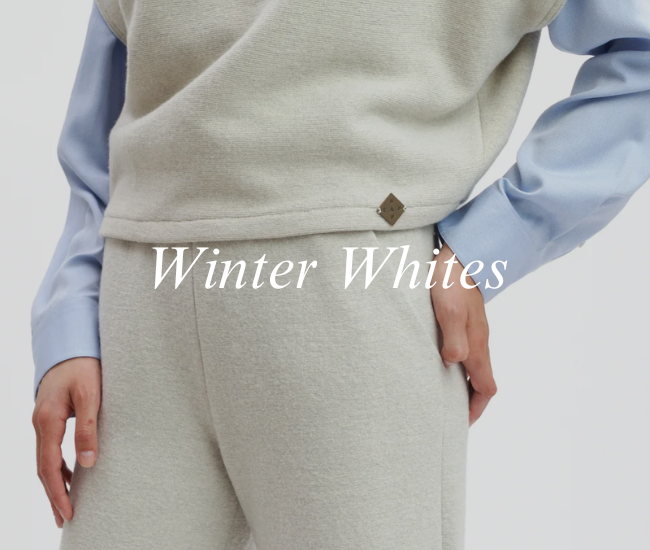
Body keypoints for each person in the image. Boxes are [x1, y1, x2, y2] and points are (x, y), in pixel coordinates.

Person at [31, 0, 650, 548]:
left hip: (350, 298)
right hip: (138, 313)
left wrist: (491, 243)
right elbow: (116, 83)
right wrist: (71, 315)